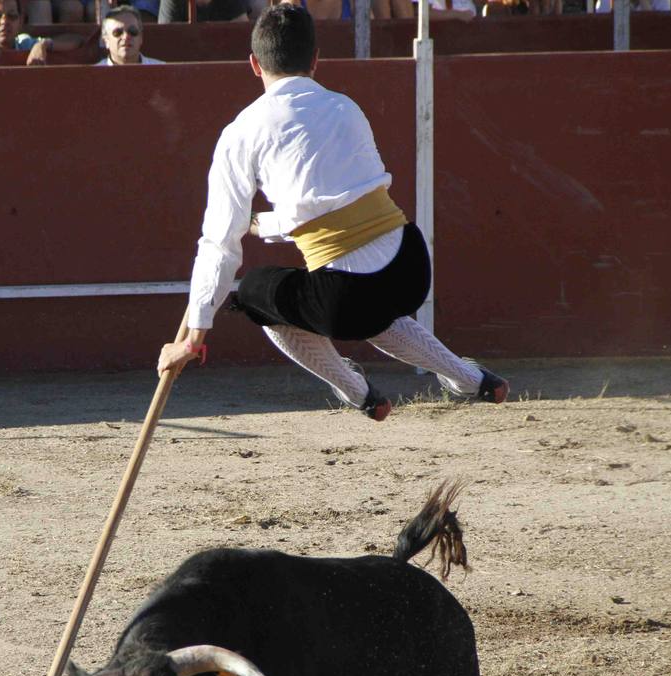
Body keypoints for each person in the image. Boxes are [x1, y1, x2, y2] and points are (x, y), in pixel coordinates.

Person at [156, 4, 508, 420]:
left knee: (256, 294)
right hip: (411, 266)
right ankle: (471, 379)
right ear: (316, 59)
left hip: (344, 299)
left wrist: (193, 336)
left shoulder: (241, 132)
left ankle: (355, 390)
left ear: (253, 64)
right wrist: (264, 225)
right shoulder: (347, 107)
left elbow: (219, 243)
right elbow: (337, 206)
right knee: (372, 303)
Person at [95, 5, 164, 65]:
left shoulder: (163, 70)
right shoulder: (93, 75)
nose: (126, 37)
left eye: (132, 31)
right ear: (106, 41)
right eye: (118, 32)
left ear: (141, 38)